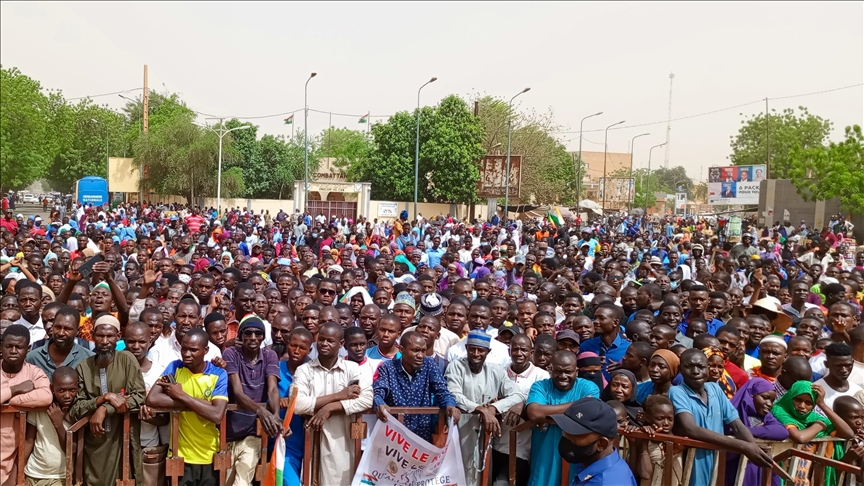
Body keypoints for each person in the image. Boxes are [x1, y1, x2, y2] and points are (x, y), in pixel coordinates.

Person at [669, 349, 773, 486]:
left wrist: (753, 448)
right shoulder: (677, 391)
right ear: (680, 369)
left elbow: (736, 424)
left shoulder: (715, 389)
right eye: (689, 366)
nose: (695, 371)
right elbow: (690, 428)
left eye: (700, 367)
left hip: (717, 461)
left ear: (707, 368)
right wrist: (743, 446)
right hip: (692, 462)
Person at [69, 315, 146, 486]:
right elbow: (76, 408)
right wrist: (103, 398)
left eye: (110, 336)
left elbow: (139, 396)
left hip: (123, 438)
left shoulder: (127, 360)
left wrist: (104, 409)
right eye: (100, 336)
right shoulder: (83, 367)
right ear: (93, 335)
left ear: (118, 337)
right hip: (95, 443)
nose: (104, 341)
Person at [146, 328, 229, 486]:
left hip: (209, 454)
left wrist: (181, 395)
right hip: (180, 454)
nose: (187, 353)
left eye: (193, 350)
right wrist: (200, 403)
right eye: (184, 348)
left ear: (206, 350)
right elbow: (153, 398)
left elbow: (217, 414)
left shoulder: (218, 374)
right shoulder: (175, 367)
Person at [293, 322, 373, 486]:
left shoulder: (352, 369)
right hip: (313, 441)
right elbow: (298, 404)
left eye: (330, 340)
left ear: (341, 344)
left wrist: (331, 408)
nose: (324, 344)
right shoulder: (304, 370)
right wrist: (339, 396)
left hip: (342, 442)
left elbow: (366, 399)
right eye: (321, 339)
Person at [445, 330, 526, 486]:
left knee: (483, 476)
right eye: (472, 349)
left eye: (480, 350)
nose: (476, 353)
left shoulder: (496, 370)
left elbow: (517, 395)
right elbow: (454, 394)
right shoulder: (456, 366)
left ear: (488, 351)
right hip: (461, 432)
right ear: (466, 348)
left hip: (487, 435)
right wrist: (480, 409)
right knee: (459, 475)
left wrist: (494, 408)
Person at [525, 351, 601, 486]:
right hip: (544, 460)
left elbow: (589, 410)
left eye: (568, 372)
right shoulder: (541, 386)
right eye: (558, 371)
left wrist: (547, 415)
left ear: (576, 371)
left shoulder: (589, 387)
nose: (563, 376)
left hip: (577, 460)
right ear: (550, 369)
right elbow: (535, 413)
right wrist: (578, 407)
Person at [223, 317, 282, 486]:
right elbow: (238, 393)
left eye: (258, 333)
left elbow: (272, 389)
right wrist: (262, 411)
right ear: (240, 336)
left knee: (242, 483)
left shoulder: (270, 355)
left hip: (251, 434)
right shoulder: (231, 353)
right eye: (248, 333)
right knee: (225, 481)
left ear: (264, 337)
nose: (253, 337)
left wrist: (276, 415)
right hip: (228, 433)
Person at [373, 331, 458, 443]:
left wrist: (450, 405)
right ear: (401, 349)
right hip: (394, 437)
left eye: (423, 351)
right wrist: (380, 404)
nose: (420, 355)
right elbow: (379, 391)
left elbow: (441, 390)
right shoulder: (388, 368)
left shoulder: (429, 364)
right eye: (415, 350)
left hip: (421, 436)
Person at [491, 334, 549, 486]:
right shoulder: (498, 373)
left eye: (524, 349)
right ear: (509, 351)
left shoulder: (542, 376)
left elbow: (542, 407)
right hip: (495, 443)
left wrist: (522, 404)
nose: (519, 353)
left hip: (522, 448)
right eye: (515, 349)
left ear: (531, 352)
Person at [0, 324, 52, 484]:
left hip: (16, 451)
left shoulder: (34, 372)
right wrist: (16, 389)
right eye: (9, 346)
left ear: (28, 348)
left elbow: (45, 397)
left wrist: (7, 401)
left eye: (19, 347)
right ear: (1, 346)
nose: (14, 350)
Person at [550, 397, 637, 486]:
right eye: (565, 431)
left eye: (575, 435)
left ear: (601, 444)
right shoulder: (589, 462)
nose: (566, 437)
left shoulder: (606, 482)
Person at [22, 365, 78, 486]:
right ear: (52, 388)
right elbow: (29, 441)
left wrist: (58, 424)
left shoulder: (77, 412)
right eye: (61, 390)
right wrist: (19, 470)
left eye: (72, 390)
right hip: (33, 473)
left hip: (60, 476)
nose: (67, 395)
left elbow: (72, 449)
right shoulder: (40, 408)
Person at [626, 395, 683, 486]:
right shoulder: (642, 438)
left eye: (670, 419)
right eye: (660, 419)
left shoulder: (677, 440)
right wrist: (644, 440)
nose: (666, 423)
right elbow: (645, 474)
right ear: (648, 418)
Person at [26, 305, 93, 380]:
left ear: (77, 331)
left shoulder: (89, 359)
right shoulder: (33, 358)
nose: (61, 333)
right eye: (57, 327)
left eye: (67, 329)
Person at [814, 342, 863, 409]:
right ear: (826, 364)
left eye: (848, 365)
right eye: (838, 366)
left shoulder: (858, 390)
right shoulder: (816, 390)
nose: (844, 370)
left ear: (853, 363)